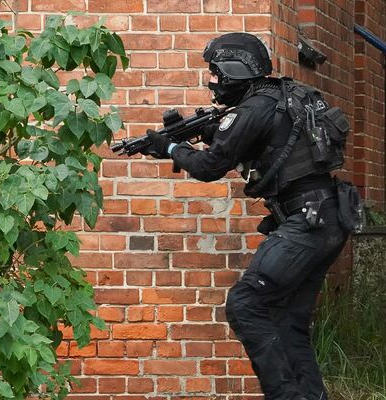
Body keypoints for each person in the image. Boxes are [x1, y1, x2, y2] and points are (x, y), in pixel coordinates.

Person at [139, 32, 357, 400]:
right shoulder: (279, 95)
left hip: (308, 221)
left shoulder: (252, 109)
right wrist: (206, 131)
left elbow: (210, 166)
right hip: (328, 217)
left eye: (215, 72)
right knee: (288, 323)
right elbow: (263, 140)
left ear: (234, 71)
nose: (210, 80)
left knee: (245, 304)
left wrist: (171, 147)